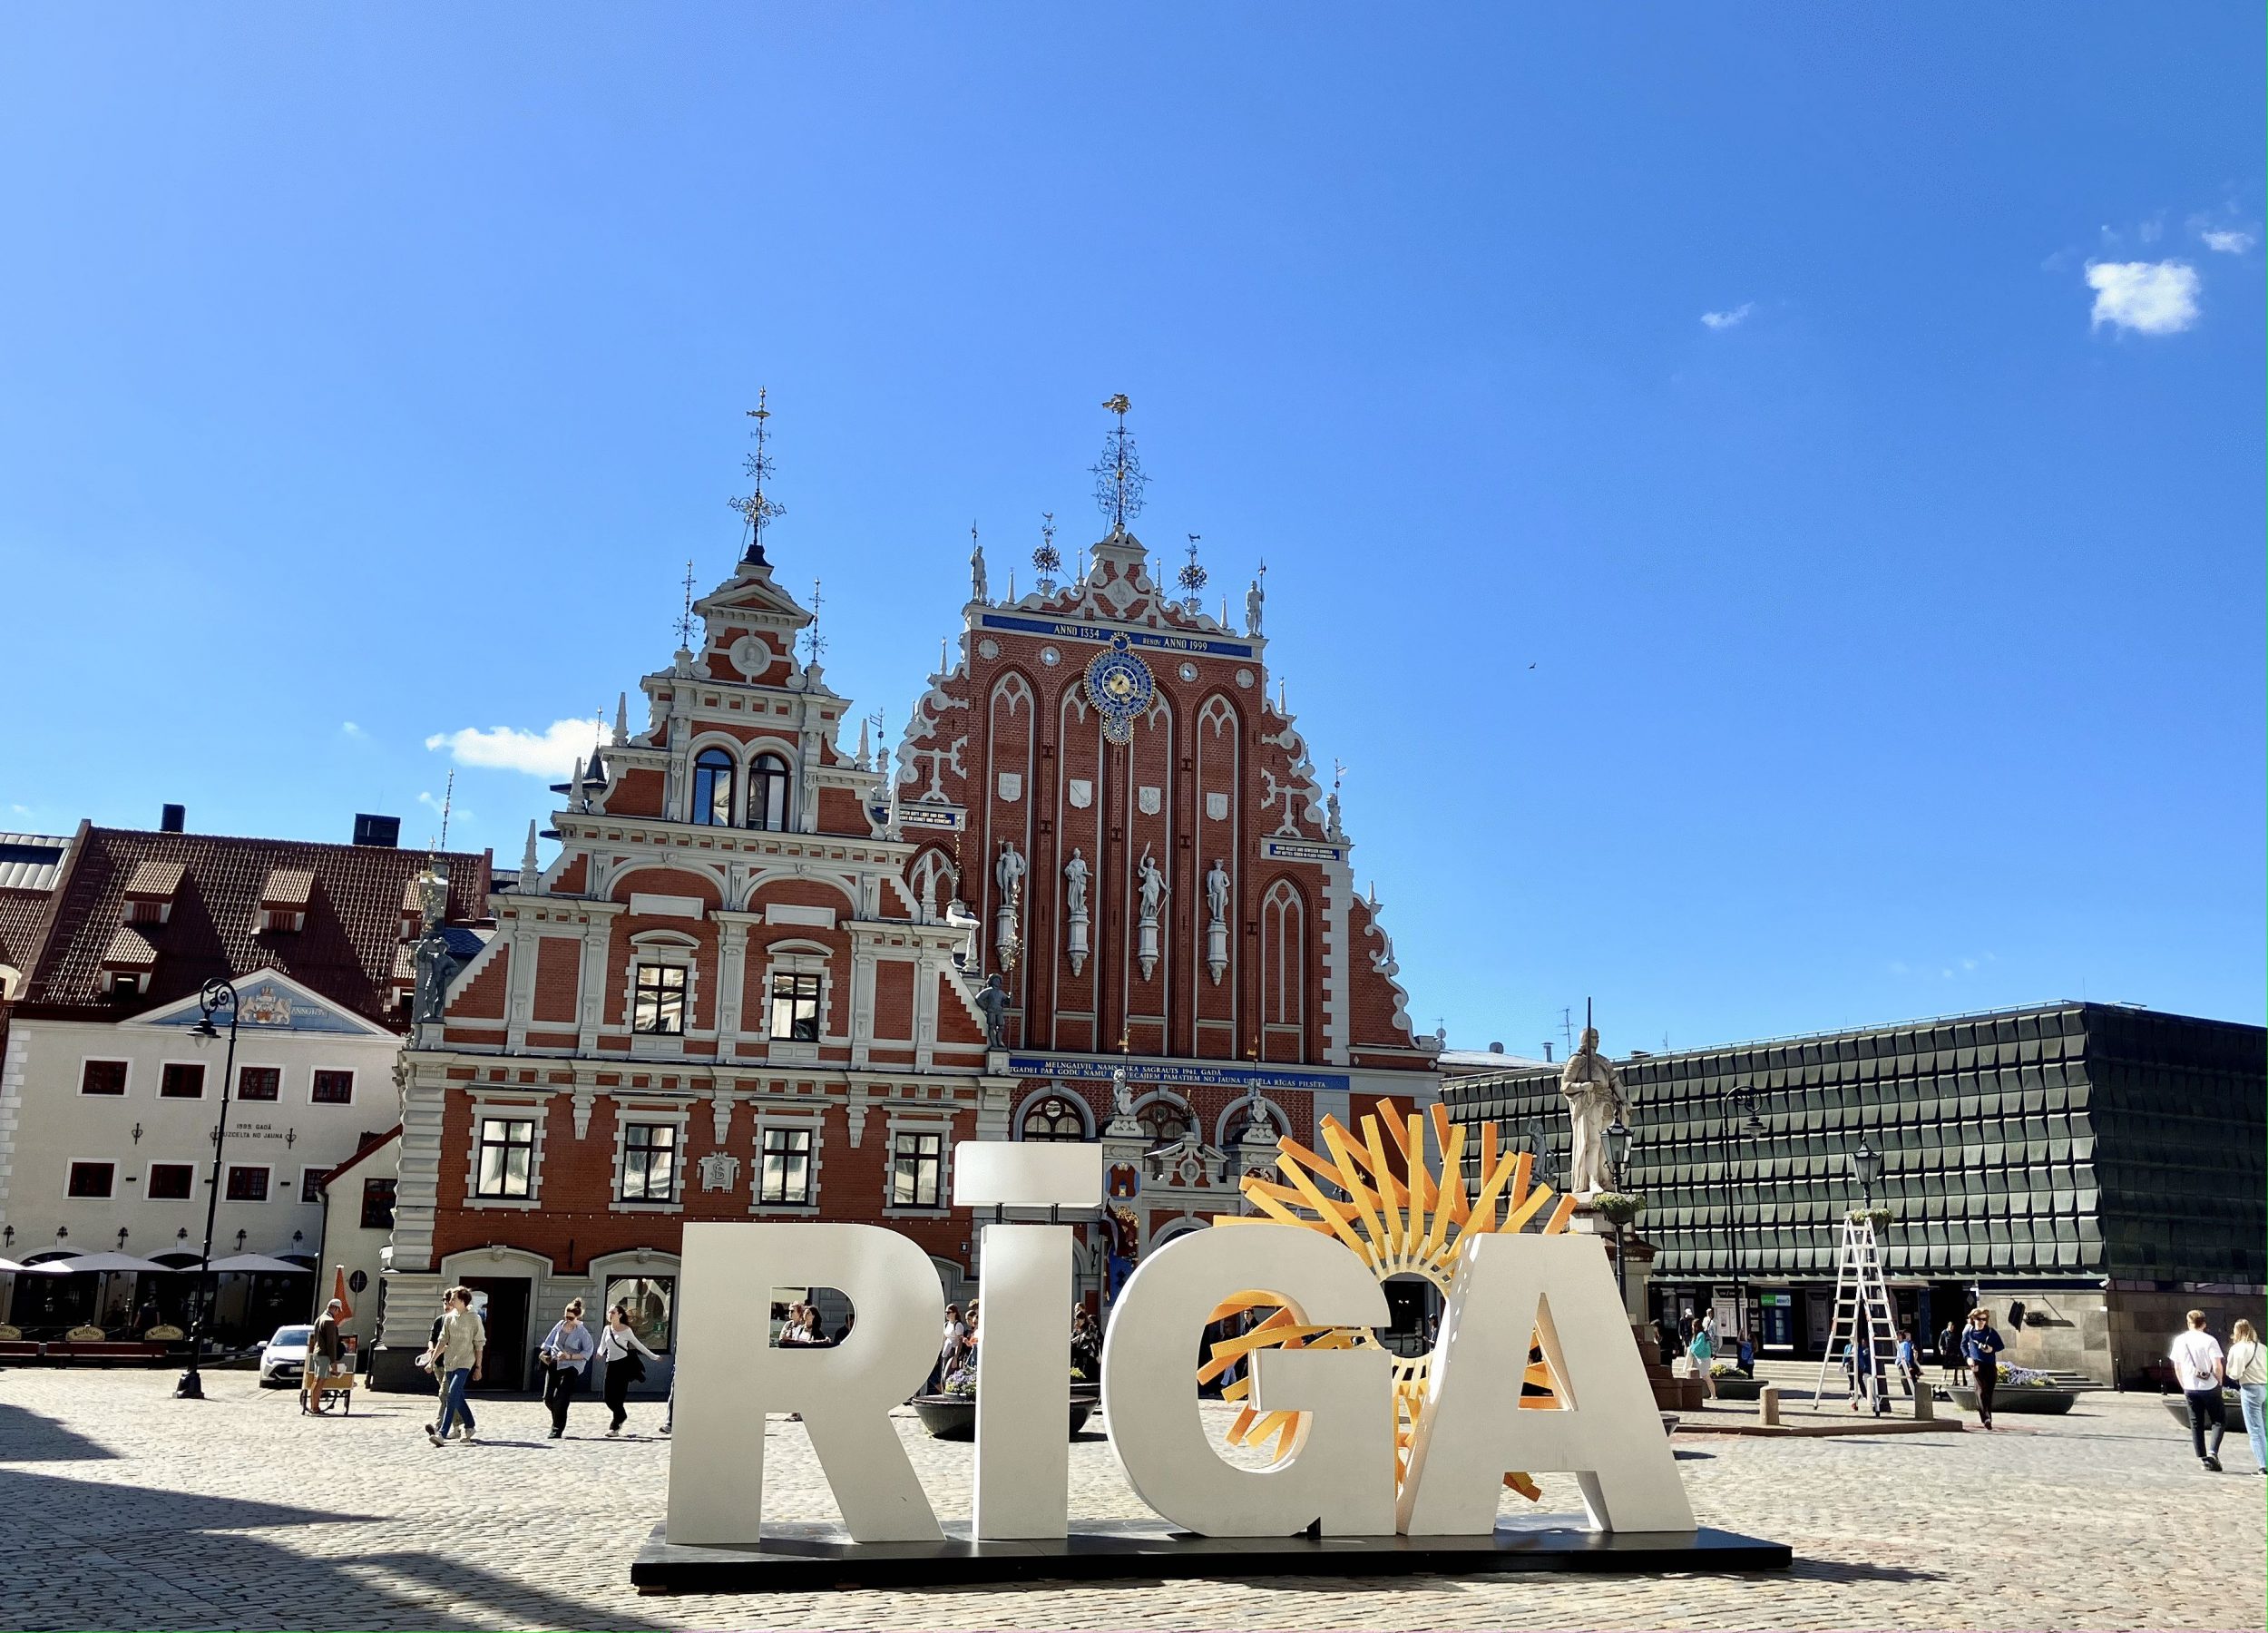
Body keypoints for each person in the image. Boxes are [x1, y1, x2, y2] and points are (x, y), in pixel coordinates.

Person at [2171, 1309, 2227, 1472]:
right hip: (2209, 1386)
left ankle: (2202, 1458)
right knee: (2218, 1420)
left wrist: (2184, 1384)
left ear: (2188, 1323)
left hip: (2190, 1385)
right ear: (2204, 1323)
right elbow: (2217, 1365)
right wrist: (2219, 1382)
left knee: (2196, 1423)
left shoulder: (2180, 1340)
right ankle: (2213, 1452)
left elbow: (2177, 1366)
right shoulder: (2210, 1340)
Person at [427, 1286, 484, 1447]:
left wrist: (478, 1367)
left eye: (453, 1298)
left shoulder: (474, 1318)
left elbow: (479, 1344)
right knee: (457, 1396)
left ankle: (442, 1433)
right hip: (450, 1362)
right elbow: (442, 1340)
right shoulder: (449, 1318)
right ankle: (470, 1425)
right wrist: (432, 1361)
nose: (450, 1301)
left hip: (465, 1362)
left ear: (462, 1300)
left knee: (451, 1393)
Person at [596, 1300, 659, 1436]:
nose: (610, 1314)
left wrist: (653, 1356)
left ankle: (615, 1426)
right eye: (609, 1312)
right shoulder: (607, 1329)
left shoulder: (626, 1330)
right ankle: (621, 1415)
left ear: (619, 1315)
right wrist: (600, 1353)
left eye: (613, 1312)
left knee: (618, 1396)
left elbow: (638, 1345)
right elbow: (602, 1345)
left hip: (623, 1365)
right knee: (608, 1397)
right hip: (610, 1364)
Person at [537, 1298, 597, 1439]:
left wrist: (569, 1356)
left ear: (578, 1317)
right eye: (565, 1316)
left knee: (561, 1398)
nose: (567, 1320)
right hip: (555, 1363)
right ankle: (558, 1416)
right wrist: (543, 1353)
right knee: (548, 1398)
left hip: (572, 1367)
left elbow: (587, 1352)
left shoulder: (582, 1333)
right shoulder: (560, 1325)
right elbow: (549, 1340)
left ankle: (557, 1428)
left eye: (570, 1318)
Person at [2224, 1318, 2265, 1476]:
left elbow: (2234, 1372)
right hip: (2265, 1387)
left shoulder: (2237, 1349)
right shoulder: (2262, 1348)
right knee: (2266, 1428)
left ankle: (2263, 1465)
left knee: (2255, 1429)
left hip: (2250, 1389)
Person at [1960, 1307, 2006, 1431]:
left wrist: (1991, 1349)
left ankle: (1987, 1415)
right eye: (1979, 1319)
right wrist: (1968, 1358)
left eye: (1984, 1319)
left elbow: (2001, 1345)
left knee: (1988, 1392)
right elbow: (1963, 1345)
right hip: (1976, 1364)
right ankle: (1986, 1418)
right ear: (1973, 1319)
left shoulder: (1991, 1332)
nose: (1981, 1322)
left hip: (1990, 1365)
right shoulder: (1969, 1332)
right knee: (1980, 1390)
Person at [303, 1298, 346, 1414]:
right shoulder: (329, 1321)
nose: (338, 1313)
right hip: (324, 1354)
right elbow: (331, 1343)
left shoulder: (319, 1319)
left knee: (317, 1380)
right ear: (335, 1308)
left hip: (318, 1353)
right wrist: (333, 1361)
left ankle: (314, 1406)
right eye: (338, 1310)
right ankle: (315, 1408)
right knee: (320, 1381)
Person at [1686, 1318, 1716, 1399]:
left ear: (1695, 1326)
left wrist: (1691, 1349)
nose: (1691, 1327)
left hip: (1703, 1358)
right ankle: (1697, 1394)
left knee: (1706, 1376)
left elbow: (1698, 1346)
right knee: (1697, 1376)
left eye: (1693, 1326)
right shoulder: (1699, 1335)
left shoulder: (1701, 1335)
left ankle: (1713, 1395)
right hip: (1698, 1358)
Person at [1895, 1326, 1923, 1400]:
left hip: (1905, 1363)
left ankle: (1910, 1393)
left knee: (1906, 1379)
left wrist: (1907, 1363)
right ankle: (1911, 1393)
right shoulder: (1901, 1344)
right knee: (1906, 1379)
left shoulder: (1906, 1344)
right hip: (1902, 1363)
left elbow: (1906, 1355)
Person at [1938, 1317, 1964, 1386]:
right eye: (1951, 1327)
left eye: (1953, 1327)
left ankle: (1955, 1379)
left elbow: (1956, 1343)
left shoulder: (1954, 1334)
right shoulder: (1944, 1333)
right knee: (1946, 1364)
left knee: (1955, 1365)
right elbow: (1941, 1342)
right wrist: (1941, 1349)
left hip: (1953, 1351)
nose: (1952, 1328)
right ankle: (1944, 1375)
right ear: (1948, 1326)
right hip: (1947, 1351)